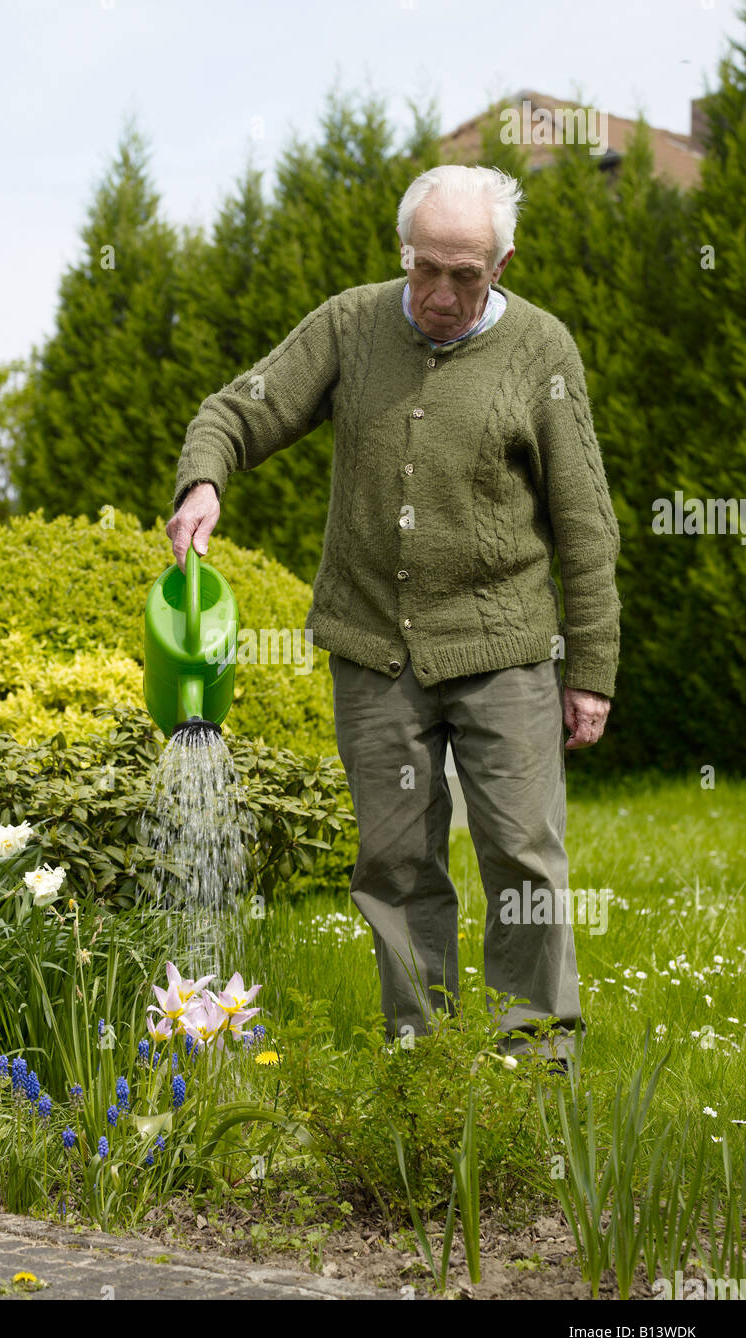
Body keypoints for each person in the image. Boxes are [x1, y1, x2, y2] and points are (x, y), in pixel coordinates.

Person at [166, 164, 621, 1066]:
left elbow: (584, 522)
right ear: (401, 252)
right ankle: (424, 1059)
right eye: (425, 269)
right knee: (396, 866)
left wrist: (591, 672)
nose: (442, 294)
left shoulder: (541, 350)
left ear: (502, 263)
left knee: (522, 862)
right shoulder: (350, 324)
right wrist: (205, 477)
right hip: (375, 653)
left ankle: (535, 1065)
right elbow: (238, 409)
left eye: (467, 274)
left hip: (504, 651)